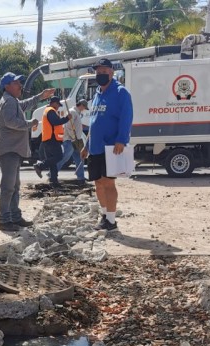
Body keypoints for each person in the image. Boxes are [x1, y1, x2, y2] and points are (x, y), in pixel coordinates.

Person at [0, 72, 55, 232]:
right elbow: (10, 122)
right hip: (9, 150)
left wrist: (40, 96)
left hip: (12, 149)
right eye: (16, 83)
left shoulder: (12, 100)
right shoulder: (8, 101)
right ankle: (5, 220)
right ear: (7, 86)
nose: (20, 85)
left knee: (14, 186)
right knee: (8, 187)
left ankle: (15, 217)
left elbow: (25, 104)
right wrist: (30, 123)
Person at [82, 58, 133, 231]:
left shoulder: (121, 92)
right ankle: (104, 215)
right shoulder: (97, 94)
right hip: (95, 147)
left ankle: (111, 220)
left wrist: (121, 139)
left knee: (108, 183)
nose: (101, 75)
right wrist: (86, 146)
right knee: (98, 182)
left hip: (111, 147)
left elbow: (126, 118)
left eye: (104, 72)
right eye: (98, 72)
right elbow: (93, 123)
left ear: (111, 73)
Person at [33, 95, 72, 188]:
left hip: (48, 139)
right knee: (59, 157)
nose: (58, 106)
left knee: (53, 162)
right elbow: (55, 122)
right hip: (52, 139)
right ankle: (40, 166)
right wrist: (67, 118)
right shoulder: (50, 111)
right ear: (54, 103)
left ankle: (54, 181)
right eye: (58, 104)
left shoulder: (48, 111)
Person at [56, 98, 88, 184]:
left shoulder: (76, 113)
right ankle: (52, 173)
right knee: (65, 157)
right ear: (81, 105)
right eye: (84, 107)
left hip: (75, 139)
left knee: (80, 158)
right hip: (70, 139)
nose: (84, 109)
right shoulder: (72, 112)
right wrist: (74, 137)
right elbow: (68, 126)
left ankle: (81, 177)